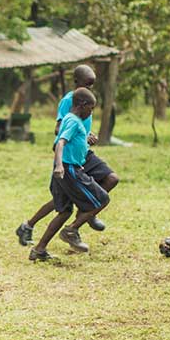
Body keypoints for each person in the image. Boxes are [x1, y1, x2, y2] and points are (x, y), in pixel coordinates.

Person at [16, 65, 119, 246]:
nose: (89, 89)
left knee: (111, 178)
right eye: (87, 84)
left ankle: (85, 214)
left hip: (83, 153)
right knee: (64, 200)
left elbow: (79, 126)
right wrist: (79, 136)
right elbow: (60, 129)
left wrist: (87, 135)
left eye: (92, 85)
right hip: (70, 157)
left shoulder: (87, 99)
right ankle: (33, 225)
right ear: (77, 82)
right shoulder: (70, 101)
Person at [29, 88, 110, 260]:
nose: (91, 112)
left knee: (64, 211)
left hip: (64, 169)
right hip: (70, 170)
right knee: (102, 199)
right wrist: (60, 165)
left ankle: (39, 250)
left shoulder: (69, 119)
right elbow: (60, 144)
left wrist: (83, 142)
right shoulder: (74, 121)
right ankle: (71, 230)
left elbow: (60, 143)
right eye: (91, 108)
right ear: (82, 105)